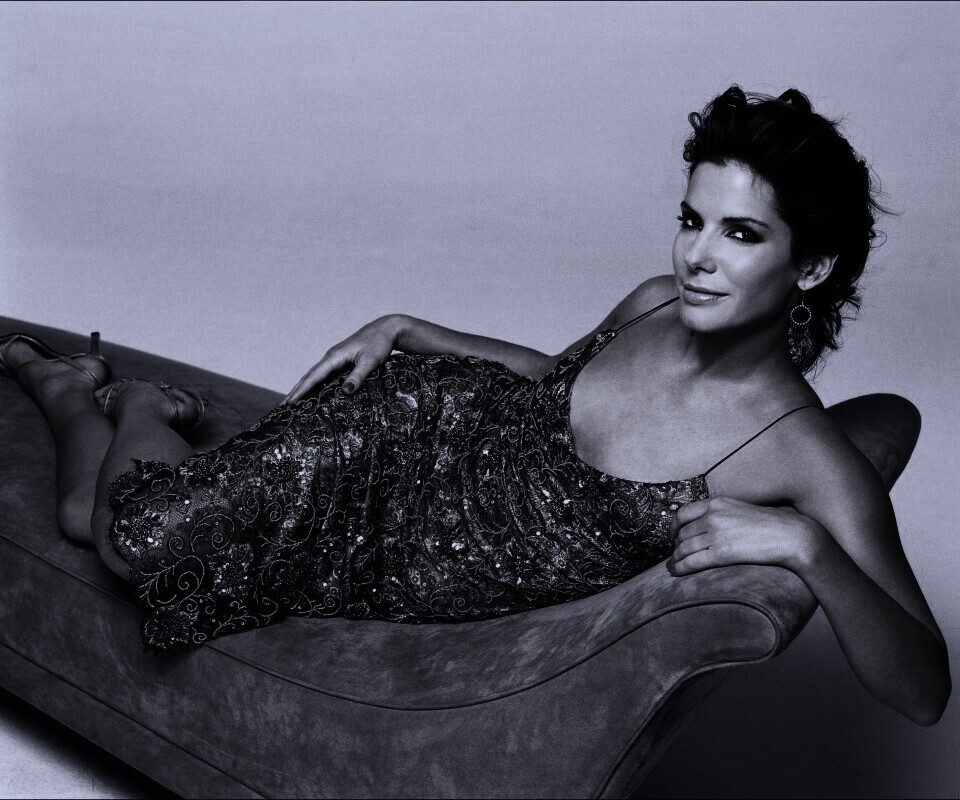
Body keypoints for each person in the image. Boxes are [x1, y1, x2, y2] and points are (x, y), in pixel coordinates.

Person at [0, 86, 949, 726]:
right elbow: (554, 379)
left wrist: (809, 548)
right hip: (399, 440)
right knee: (135, 537)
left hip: (410, 568)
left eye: (741, 234)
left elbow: (925, 689)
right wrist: (413, 328)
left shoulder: (802, 453)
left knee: (95, 520)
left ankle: (79, 388)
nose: (697, 256)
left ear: (812, 265)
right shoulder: (657, 302)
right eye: (691, 220)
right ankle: (125, 401)